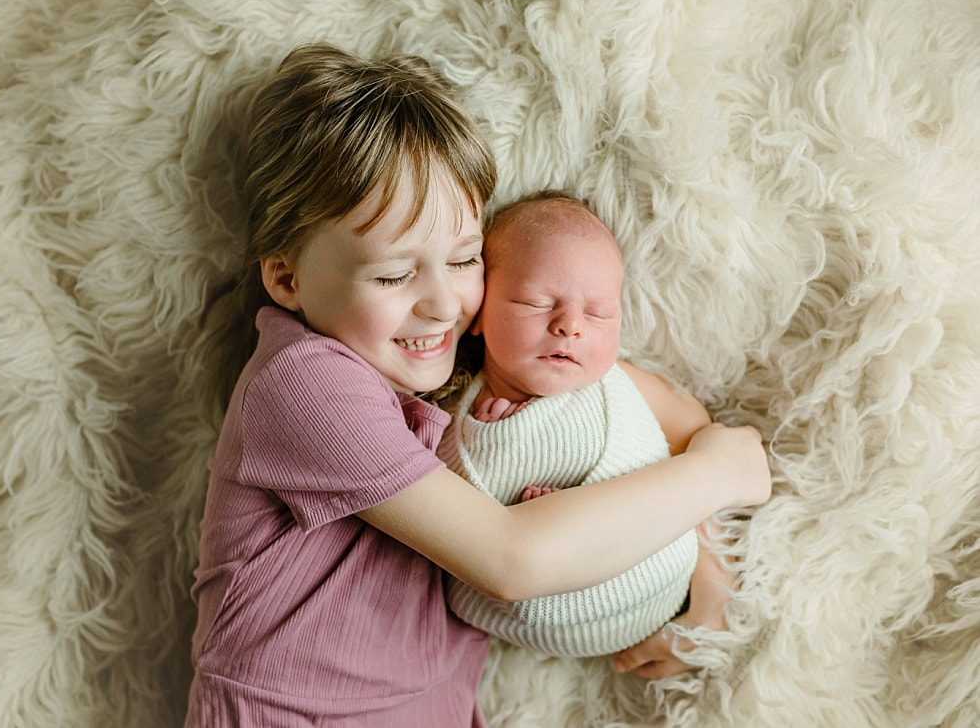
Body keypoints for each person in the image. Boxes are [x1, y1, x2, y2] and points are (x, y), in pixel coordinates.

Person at [185, 43, 772, 727]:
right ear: (288, 278)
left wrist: (708, 578)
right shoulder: (304, 381)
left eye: (464, 259)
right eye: (393, 274)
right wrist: (720, 474)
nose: (442, 304)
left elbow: (648, 414)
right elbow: (511, 558)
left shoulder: (456, 367)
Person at [439, 193, 742, 678]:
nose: (570, 326)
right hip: (516, 619)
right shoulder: (446, 410)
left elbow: (697, 435)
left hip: (656, 585)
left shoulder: (614, 384)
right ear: (477, 310)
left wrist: (714, 581)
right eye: (537, 303)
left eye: (599, 313)